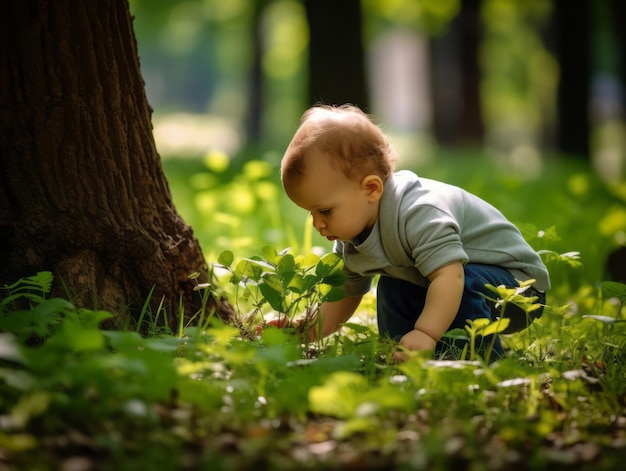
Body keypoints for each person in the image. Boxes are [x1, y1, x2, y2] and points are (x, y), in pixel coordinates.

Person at [280, 104, 550, 358]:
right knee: (392, 283)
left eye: (325, 211)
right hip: (453, 281)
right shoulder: (351, 236)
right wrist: (303, 331)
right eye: (311, 212)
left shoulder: (419, 212)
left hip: (517, 289)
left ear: (371, 189)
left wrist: (426, 333)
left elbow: (450, 276)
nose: (317, 223)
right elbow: (345, 295)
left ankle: (472, 363)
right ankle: (403, 354)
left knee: (465, 281)